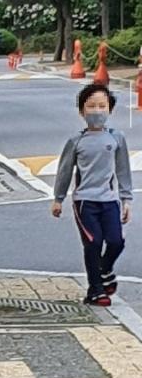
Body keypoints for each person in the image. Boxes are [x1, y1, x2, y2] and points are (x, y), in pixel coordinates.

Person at [52, 82, 132, 306]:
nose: (97, 111)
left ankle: (105, 270)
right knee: (93, 243)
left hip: (110, 201)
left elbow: (123, 169)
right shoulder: (76, 141)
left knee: (116, 242)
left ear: (110, 110)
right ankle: (95, 290)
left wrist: (126, 199)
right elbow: (65, 170)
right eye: (91, 106)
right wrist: (58, 199)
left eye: (102, 106)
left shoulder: (116, 138)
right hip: (85, 202)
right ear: (81, 111)